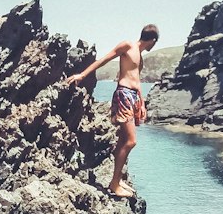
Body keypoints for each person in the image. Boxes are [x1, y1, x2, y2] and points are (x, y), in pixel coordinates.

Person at [65, 24, 159, 197]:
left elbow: (137, 81)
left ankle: (118, 178)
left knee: (123, 140)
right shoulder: (128, 46)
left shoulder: (140, 57)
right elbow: (104, 60)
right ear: (152, 40)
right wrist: (82, 75)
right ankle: (114, 183)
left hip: (133, 97)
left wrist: (142, 103)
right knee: (131, 141)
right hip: (123, 94)